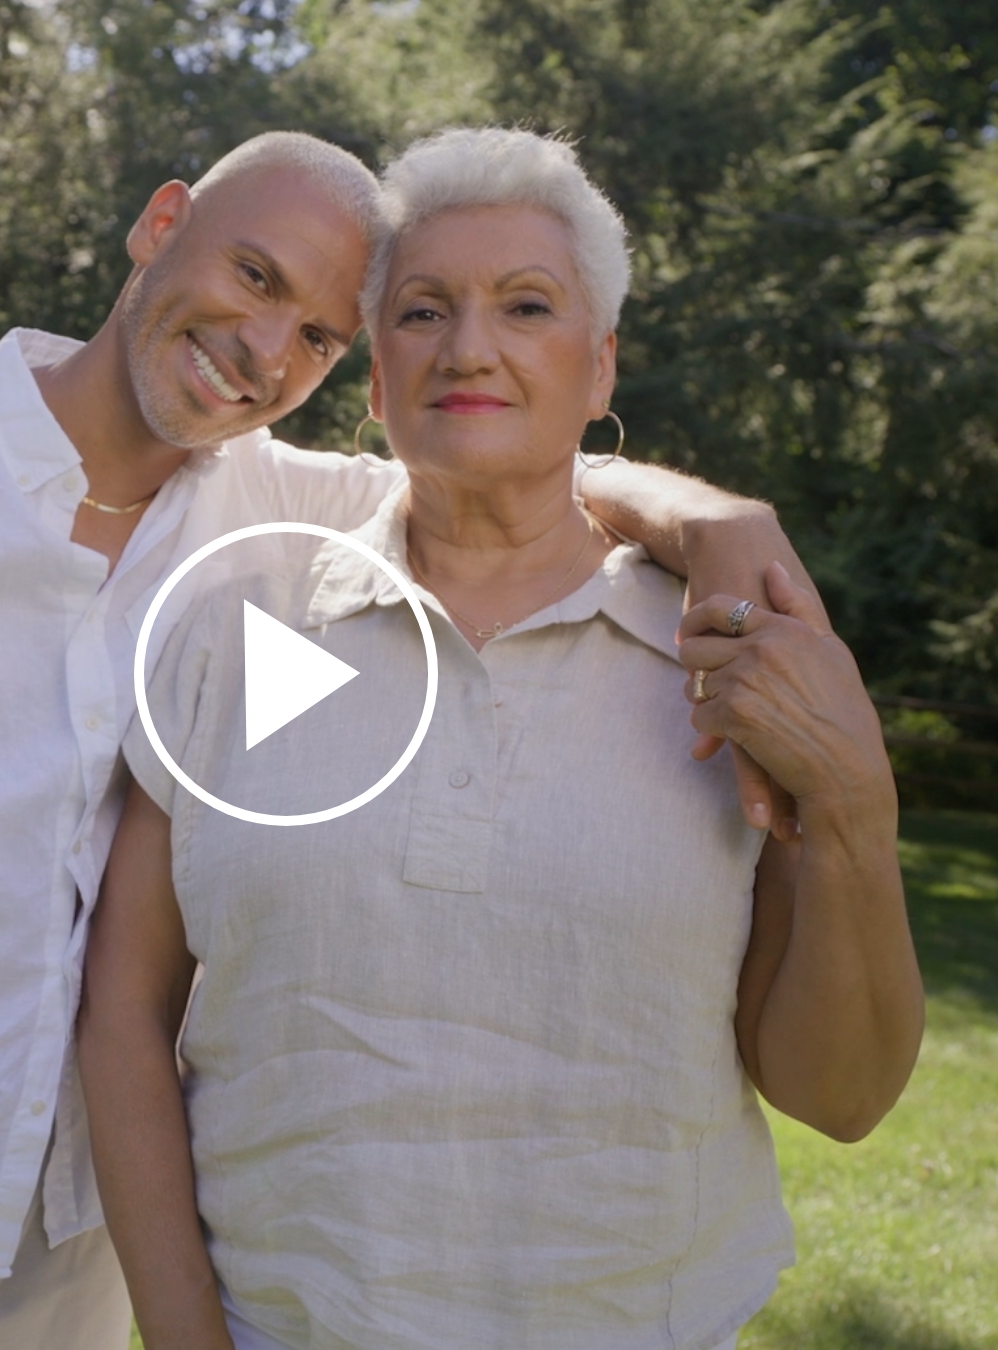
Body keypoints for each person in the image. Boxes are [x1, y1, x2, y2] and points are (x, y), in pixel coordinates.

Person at [0, 129, 818, 1350]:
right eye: (253, 276)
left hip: (78, 1260)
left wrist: (712, 521)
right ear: (160, 223)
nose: (263, 350)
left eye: (317, 336)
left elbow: (510, 458)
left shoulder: (281, 509)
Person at [78, 127, 926, 1350]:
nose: (468, 348)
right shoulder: (243, 622)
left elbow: (839, 1098)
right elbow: (123, 1015)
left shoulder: (722, 655)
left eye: (525, 306)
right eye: (420, 312)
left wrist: (851, 807)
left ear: (599, 364)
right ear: (375, 380)